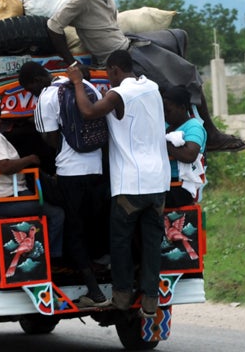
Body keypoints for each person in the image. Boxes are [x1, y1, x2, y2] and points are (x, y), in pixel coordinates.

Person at [46, 0, 245, 153]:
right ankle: (211, 134)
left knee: (179, 36)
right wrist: (71, 62)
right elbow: (53, 26)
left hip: (131, 42)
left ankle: (176, 79)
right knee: (189, 73)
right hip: (123, 55)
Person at [67, 50, 170, 317]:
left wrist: (78, 82)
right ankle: (150, 299)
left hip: (131, 184)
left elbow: (89, 112)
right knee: (151, 243)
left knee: (121, 243)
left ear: (114, 70)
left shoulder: (120, 94)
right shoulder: (152, 88)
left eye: (109, 74)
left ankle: (122, 296)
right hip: (158, 182)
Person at [18, 61, 110, 308]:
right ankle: (106, 266)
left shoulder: (47, 97)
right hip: (98, 169)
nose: (32, 93)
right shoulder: (87, 85)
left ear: (37, 81)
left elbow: (48, 137)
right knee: (97, 219)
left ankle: (94, 292)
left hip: (71, 171)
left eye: (30, 89)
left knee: (74, 228)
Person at [0, 96, 65, 261]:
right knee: (57, 214)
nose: (0, 121)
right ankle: (50, 259)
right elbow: (4, 166)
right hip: (7, 199)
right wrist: (30, 159)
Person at [163, 85, 207, 207]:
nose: (165, 114)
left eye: (169, 111)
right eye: (163, 111)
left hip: (180, 187)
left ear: (182, 108)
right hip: (165, 183)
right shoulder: (166, 126)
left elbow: (189, 155)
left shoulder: (193, 127)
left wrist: (164, 143)